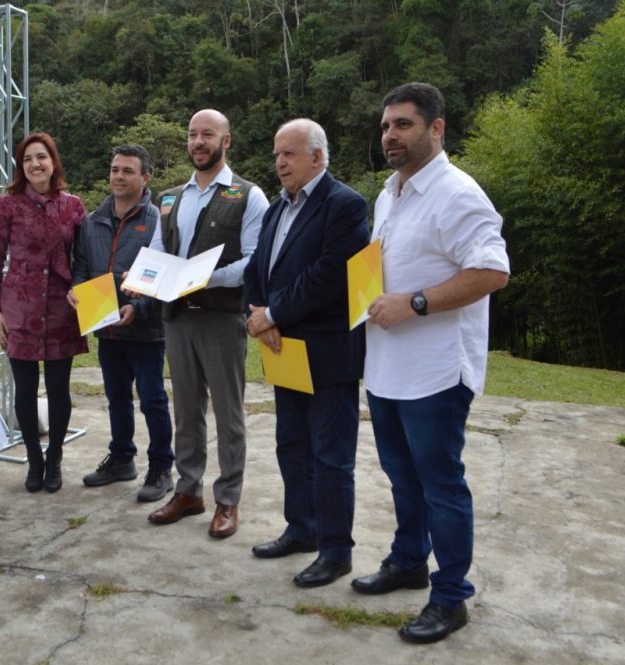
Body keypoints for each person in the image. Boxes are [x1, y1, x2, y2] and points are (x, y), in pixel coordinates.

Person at [355, 82, 510, 644]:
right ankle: (408, 561)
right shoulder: (389, 194)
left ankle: (450, 598)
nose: (390, 136)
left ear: (436, 128)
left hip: (437, 373)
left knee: (441, 485)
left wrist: (415, 303)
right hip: (387, 367)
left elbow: (492, 271)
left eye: (403, 124)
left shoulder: (457, 193)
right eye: (385, 126)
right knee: (402, 477)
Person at [244, 119, 370, 588]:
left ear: (317, 157)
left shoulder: (345, 204)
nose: (280, 162)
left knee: (331, 458)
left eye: (289, 154)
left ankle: (336, 551)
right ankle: (301, 530)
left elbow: (330, 275)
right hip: (284, 350)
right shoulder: (278, 207)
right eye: (277, 154)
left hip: (328, 353)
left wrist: (273, 313)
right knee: (291, 446)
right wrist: (257, 314)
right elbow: (258, 268)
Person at [145, 109, 269, 538]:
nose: (198, 142)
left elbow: (254, 260)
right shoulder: (168, 198)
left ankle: (228, 499)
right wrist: (145, 278)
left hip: (222, 318)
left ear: (226, 141)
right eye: (192, 134)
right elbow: (157, 250)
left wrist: (202, 279)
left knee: (229, 414)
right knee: (186, 411)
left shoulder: (248, 195)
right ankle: (188, 491)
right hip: (177, 320)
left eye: (208, 134)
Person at [68, 145, 175, 502]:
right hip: (107, 327)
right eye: (115, 169)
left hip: (146, 330)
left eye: (128, 171)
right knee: (116, 398)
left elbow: (164, 274)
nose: (119, 176)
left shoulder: (159, 221)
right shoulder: (92, 220)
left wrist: (140, 307)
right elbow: (82, 265)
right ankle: (121, 459)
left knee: (152, 401)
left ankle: (161, 467)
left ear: (146, 178)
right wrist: (77, 290)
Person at [0, 131, 88, 494]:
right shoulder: (7, 206)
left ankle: (55, 457)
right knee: (25, 389)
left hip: (62, 308)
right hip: (20, 308)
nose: (35, 164)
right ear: (21, 166)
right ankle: (34, 458)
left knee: (59, 388)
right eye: (27, 159)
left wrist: (81, 289)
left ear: (53, 161)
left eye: (41, 157)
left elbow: (83, 258)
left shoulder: (73, 206)